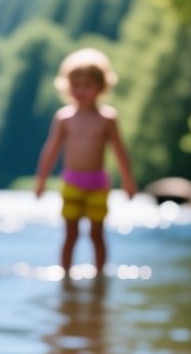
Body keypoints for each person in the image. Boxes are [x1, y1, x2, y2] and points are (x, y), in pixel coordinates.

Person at [33, 48, 137, 277]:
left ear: (101, 87)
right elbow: (51, 150)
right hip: (72, 183)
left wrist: (128, 181)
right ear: (67, 86)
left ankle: (99, 277)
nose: (80, 91)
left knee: (96, 234)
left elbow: (119, 150)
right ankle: (65, 277)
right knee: (70, 234)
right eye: (75, 85)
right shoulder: (64, 117)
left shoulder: (107, 118)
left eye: (87, 85)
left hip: (98, 184)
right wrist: (41, 180)